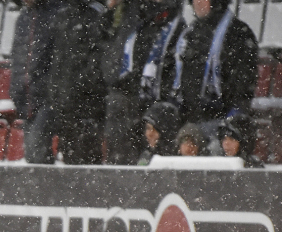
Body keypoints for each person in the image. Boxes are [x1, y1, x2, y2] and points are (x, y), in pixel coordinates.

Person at [171, 0, 258, 154]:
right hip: (191, 121)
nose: (197, 3)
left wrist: (227, 123)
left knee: (213, 147)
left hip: (222, 120)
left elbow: (243, 89)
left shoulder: (238, 33)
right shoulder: (189, 34)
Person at [103, 0, 185, 164]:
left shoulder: (177, 27)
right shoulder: (138, 20)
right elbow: (114, 56)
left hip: (156, 107)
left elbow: (173, 72)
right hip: (131, 104)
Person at [49, 0, 112, 164]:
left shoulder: (98, 15)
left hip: (87, 102)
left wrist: (83, 84)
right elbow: (57, 59)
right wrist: (56, 92)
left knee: (88, 155)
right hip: (66, 102)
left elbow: (100, 57)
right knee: (70, 156)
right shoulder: (64, 15)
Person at [10, 0, 62, 164]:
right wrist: (16, 89)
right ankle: (45, 187)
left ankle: (45, 185)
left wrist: (52, 88)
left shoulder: (57, 13)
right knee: (33, 154)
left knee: (36, 148)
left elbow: (59, 58)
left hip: (47, 95)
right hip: (27, 96)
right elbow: (18, 57)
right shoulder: (24, 18)